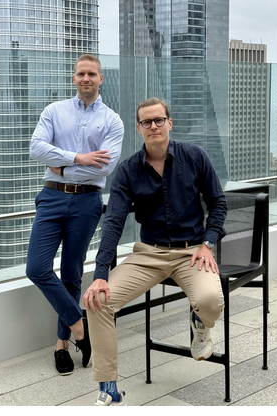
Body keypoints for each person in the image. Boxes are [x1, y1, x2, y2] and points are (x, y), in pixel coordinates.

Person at [82, 97, 227, 406]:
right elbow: (114, 223)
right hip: (149, 254)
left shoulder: (195, 156)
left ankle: (200, 323)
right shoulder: (128, 171)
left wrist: (208, 243)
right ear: (139, 128)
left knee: (210, 302)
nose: (154, 126)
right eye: (146, 122)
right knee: (98, 301)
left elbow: (218, 203)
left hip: (192, 251)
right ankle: (109, 387)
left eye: (159, 120)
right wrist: (100, 274)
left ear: (169, 123)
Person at [26, 54, 124, 376]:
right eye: (81, 73)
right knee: (36, 268)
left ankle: (62, 345)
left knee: (71, 272)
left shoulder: (112, 121)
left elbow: (105, 167)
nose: (86, 78)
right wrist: (79, 158)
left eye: (92, 74)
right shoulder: (54, 111)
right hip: (52, 197)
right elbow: (36, 148)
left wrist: (62, 165)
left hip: (87, 201)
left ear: (100, 78)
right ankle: (80, 327)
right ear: (74, 78)